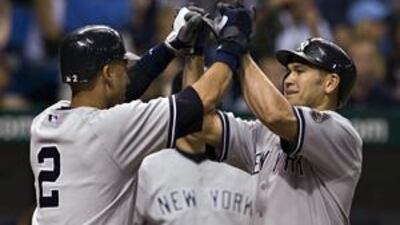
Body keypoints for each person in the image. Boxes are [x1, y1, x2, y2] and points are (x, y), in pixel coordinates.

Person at [29, 5, 253, 225]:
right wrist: (231, 45)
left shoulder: (45, 121)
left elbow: (123, 93)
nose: (127, 77)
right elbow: (202, 100)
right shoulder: (111, 128)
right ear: (107, 73)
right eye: (122, 68)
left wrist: (170, 47)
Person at [196, 36, 363, 224]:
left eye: (299, 71)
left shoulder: (340, 132)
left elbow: (275, 115)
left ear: (330, 83)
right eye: (288, 72)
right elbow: (198, 123)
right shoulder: (265, 132)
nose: (288, 80)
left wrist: (238, 49)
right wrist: (194, 53)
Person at [133, 54, 256, 225]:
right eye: (193, 108)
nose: (198, 116)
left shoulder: (244, 169)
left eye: (208, 108)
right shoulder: (148, 168)